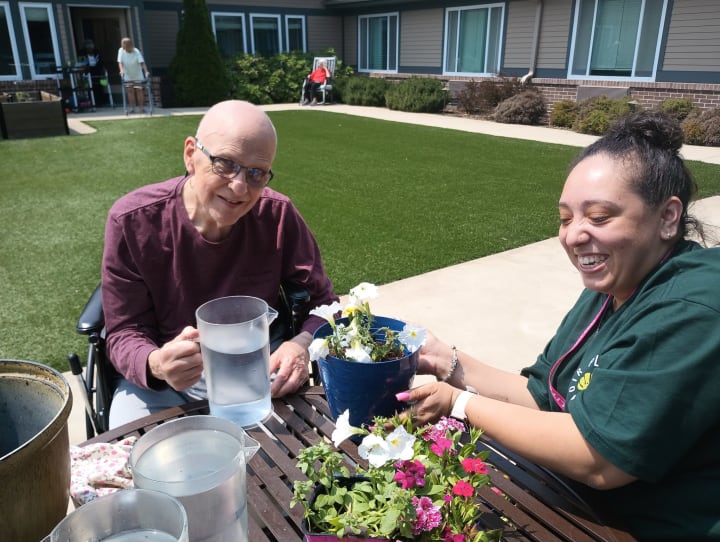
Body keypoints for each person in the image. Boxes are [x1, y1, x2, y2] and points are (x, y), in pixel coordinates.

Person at [397, 111, 720, 540]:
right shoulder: (614, 284)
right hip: (583, 504)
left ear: (667, 217)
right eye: (566, 218)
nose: (573, 235)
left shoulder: (693, 305)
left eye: (599, 216)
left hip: (651, 526)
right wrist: (448, 362)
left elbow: (599, 459)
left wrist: (458, 404)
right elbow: (544, 396)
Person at [102, 100, 339, 428]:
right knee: (133, 457)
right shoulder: (132, 222)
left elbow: (325, 303)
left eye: (256, 174)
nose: (240, 187)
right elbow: (124, 331)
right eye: (225, 164)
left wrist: (300, 345)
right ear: (190, 154)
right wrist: (155, 363)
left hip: (258, 372)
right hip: (168, 381)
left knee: (294, 463)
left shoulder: (277, 215)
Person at [117, 37, 149, 113]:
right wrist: (121, 71)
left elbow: (142, 62)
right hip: (127, 74)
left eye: (127, 45)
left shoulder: (136, 51)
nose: (126, 47)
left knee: (139, 90)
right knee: (130, 91)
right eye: (124, 45)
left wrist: (146, 71)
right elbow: (120, 62)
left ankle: (141, 108)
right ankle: (132, 107)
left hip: (137, 73)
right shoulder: (121, 51)